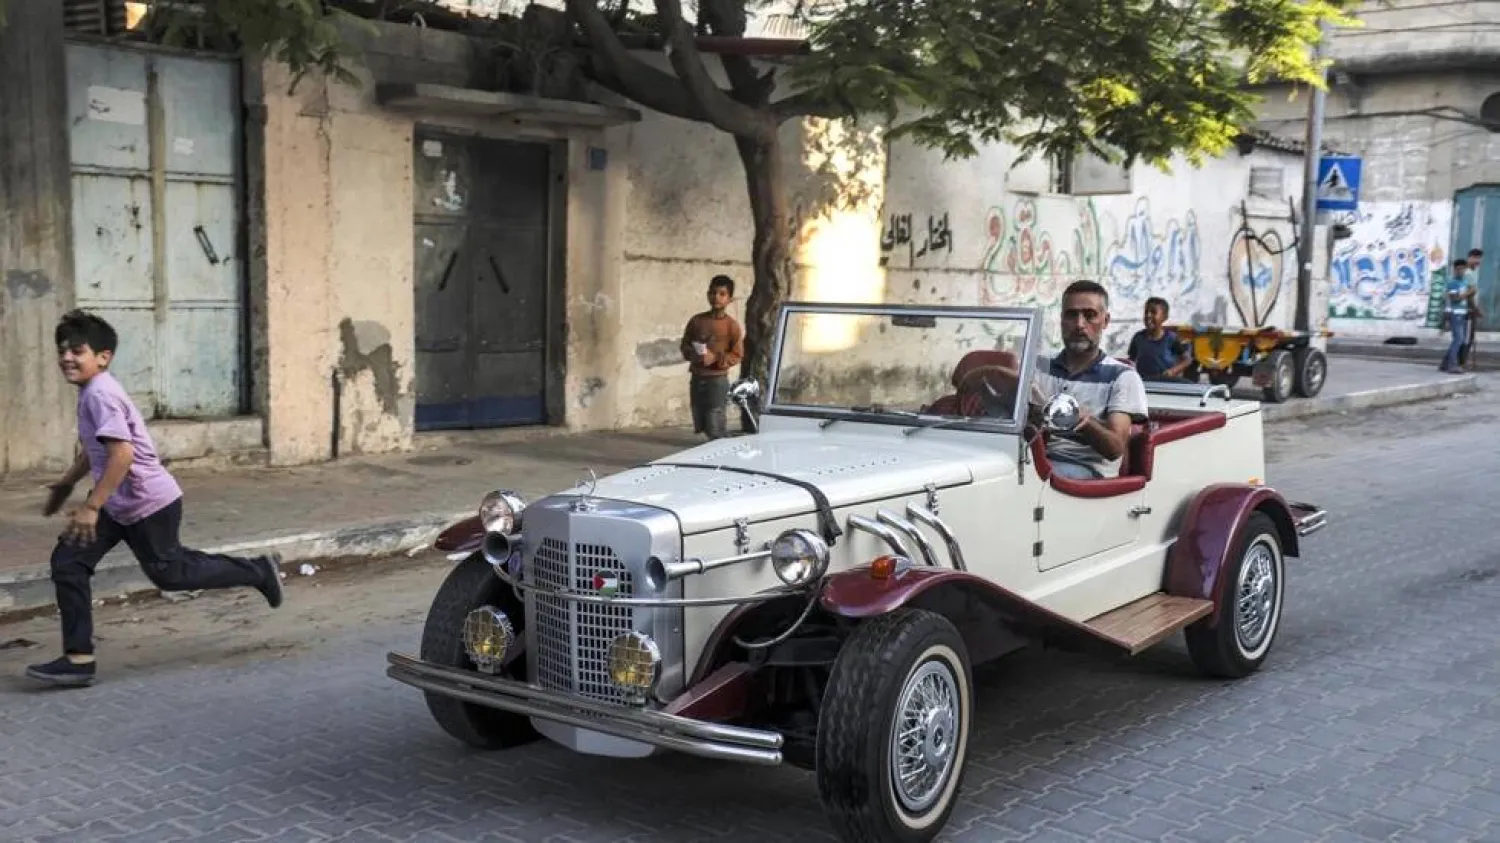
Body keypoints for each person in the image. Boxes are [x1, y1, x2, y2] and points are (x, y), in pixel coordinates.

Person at [26, 310, 284, 688]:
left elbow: (122, 455)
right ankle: (78, 659)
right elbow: (98, 449)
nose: (66, 357)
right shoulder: (93, 391)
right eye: (62, 351)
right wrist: (67, 484)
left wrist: (91, 506)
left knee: (171, 574)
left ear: (103, 357)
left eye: (77, 351)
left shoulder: (100, 395)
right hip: (118, 501)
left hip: (148, 503)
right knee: (69, 562)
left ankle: (258, 571)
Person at [968, 280, 1149, 479]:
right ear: (1061, 319)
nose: (1079, 325)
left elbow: (1115, 448)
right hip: (1030, 458)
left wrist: (1081, 420)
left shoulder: (1122, 377)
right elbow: (1014, 411)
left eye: (1090, 315)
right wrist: (990, 393)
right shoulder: (1037, 364)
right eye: (1071, 315)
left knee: (1016, 478)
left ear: (1105, 321)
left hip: (1083, 469)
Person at [679, 275, 745, 440]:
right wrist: (695, 355)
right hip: (697, 377)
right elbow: (685, 346)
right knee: (700, 417)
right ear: (708, 294)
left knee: (715, 422)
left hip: (717, 380)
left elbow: (737, 355)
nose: (716, 297)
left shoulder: (731, 326)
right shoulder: (696, 321)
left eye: (722, 294)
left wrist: (715, 358)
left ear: (729, 299)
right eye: (713, 293)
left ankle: (718, 450)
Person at [1126, 297, 1193, 381]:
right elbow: (1131, 360)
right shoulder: (1138, 338)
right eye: (1146, 312)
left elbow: (1187, 360)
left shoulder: (1171, 338)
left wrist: (1172, 371)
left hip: (1165, 384)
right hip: (1144, 384)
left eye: (1153, 312)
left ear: (1164, 317)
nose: (1148, 315)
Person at [1441, 259, 1476, 374]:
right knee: (1458, 339)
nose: (1460, 271)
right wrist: (1468, 292)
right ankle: (1452, 365)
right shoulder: (1452, 283)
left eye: (1463, 269)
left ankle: (1445, 364)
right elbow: (1454, 298)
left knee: (1460, 340)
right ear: (1455, 270)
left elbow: (1465, 297)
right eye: (1458, 269)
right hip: (1455, 314)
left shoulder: (1464, 282)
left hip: (1463, 313)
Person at [1459, 248, 1484, 369]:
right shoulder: (1468, 273)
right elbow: (1469, 294)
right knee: (1467, 338)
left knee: (1467, 337)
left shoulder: (1471, 272)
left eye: (1479, 259)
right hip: (1468, 310)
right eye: (1476, 258)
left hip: (1469, 309)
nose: (1478, 262)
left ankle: (1460, 362)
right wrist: (1475, 309)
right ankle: (1460, 363)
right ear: (1470, 258)